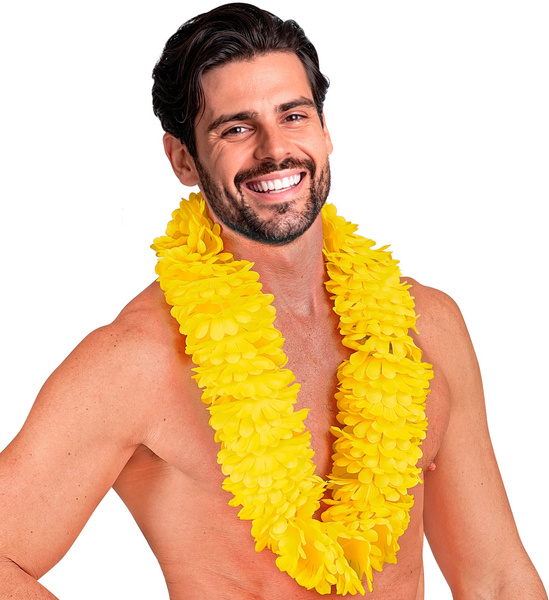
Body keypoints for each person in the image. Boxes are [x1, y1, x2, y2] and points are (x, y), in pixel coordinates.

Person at [0, 3, 547, 598]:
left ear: (325, 130)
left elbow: (495, 579)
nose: (274, 150)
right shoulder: (135, 361)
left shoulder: (426, 327)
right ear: (183, 159)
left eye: (293, 115)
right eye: (236, 128)